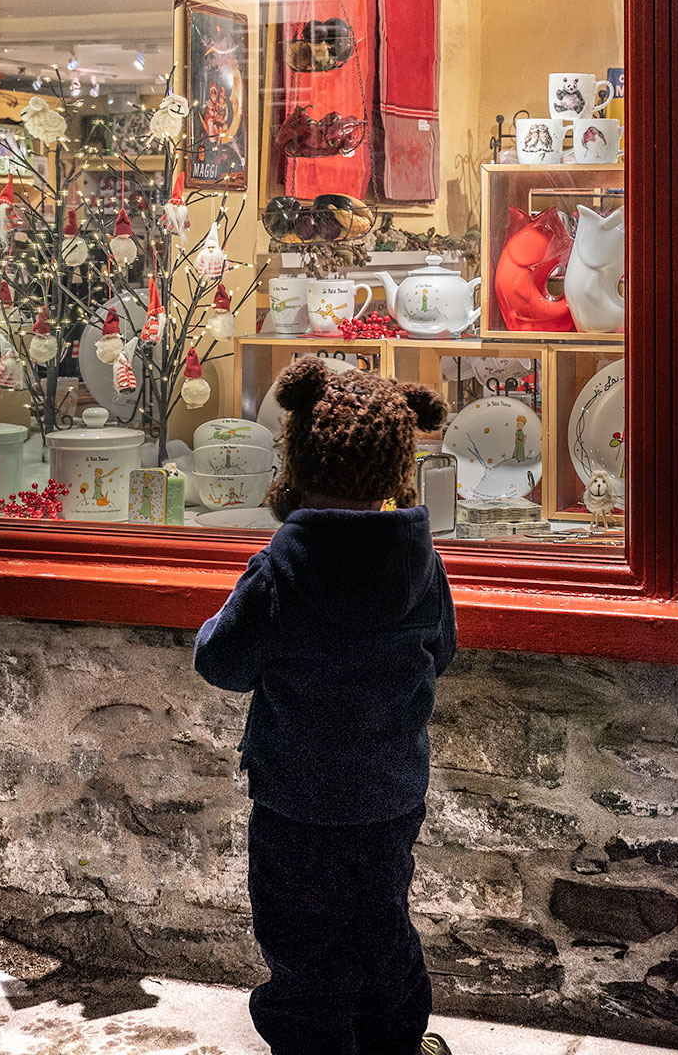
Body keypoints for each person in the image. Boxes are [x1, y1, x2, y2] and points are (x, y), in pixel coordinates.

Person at [194, 355, 456, 1055]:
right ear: (398, 463)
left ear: (298, 454)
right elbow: (444, 650)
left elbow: (223, 661)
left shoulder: (283, 565)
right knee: (382, 927)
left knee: (302, 942)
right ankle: (395, 1043)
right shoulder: (422, 560)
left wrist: (212, 626)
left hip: (298, 800)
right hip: (391, 793)